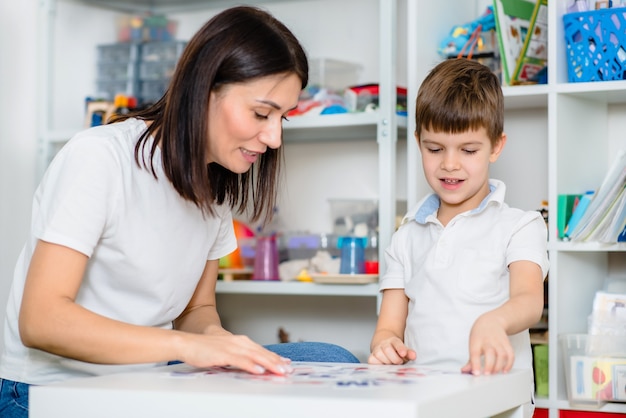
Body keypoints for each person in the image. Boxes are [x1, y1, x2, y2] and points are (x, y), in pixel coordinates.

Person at [0, 6, 358, 417]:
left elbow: (196, 310)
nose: (274, 137)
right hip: (51, 389)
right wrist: (187, 347)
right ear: (203, 89)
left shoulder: (215, 184)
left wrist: (219, 344)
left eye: (283, 117)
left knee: (331, 357)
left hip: (148, 375)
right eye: (261, 113)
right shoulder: (99, 157)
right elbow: (41, 321)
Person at [368, 59, 549, 416]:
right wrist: (386, 344)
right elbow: (388, 326)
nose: (449, 164)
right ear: (418, 142)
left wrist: (494, 320)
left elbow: (529, 301)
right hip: (426, 399)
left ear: (496, 147)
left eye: (468, 151)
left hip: (497, 401)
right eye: (435, 149)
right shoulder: (406, 236)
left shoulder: (520, 225)